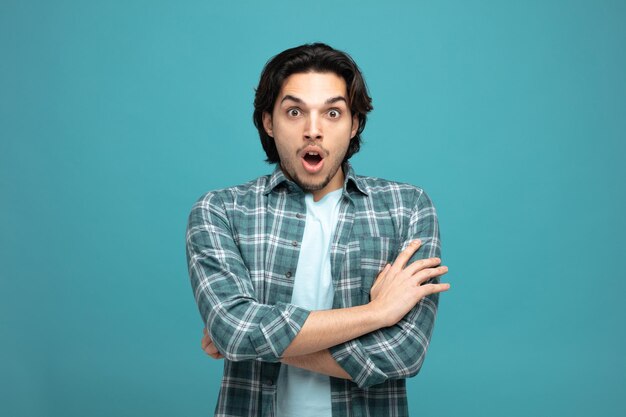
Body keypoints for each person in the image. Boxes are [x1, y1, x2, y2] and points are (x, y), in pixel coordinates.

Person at [186, 43, 450, 417]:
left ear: (355, 122)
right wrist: (377, 314)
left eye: (332, 112)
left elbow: (403, 353)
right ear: (268, 121)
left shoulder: (407, 208)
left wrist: (255, 340)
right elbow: (234, 331)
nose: (314, 130)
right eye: (294, 112)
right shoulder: (220, 211)